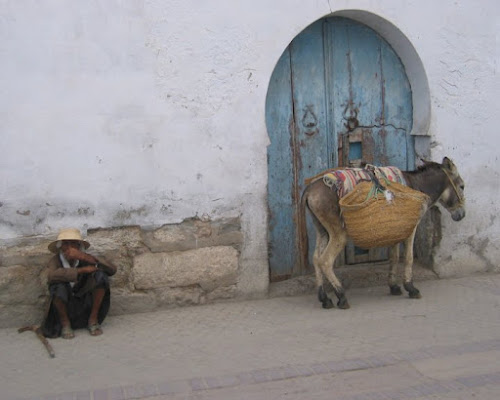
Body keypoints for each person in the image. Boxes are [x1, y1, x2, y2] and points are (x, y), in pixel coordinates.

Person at [41, 228, 117, 339]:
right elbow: (51, 276)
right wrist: (80, 271)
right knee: (56, 286)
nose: (69, 247)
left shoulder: (85, 258)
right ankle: (65, 323)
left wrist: (85, 257)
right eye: (65, 244)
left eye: (73, 244)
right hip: (66, 304)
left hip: (84, 301)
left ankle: (93, 319)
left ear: (79, 246)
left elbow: (112, 270)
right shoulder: (56, 260)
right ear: (60, 246)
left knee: (101, 276)